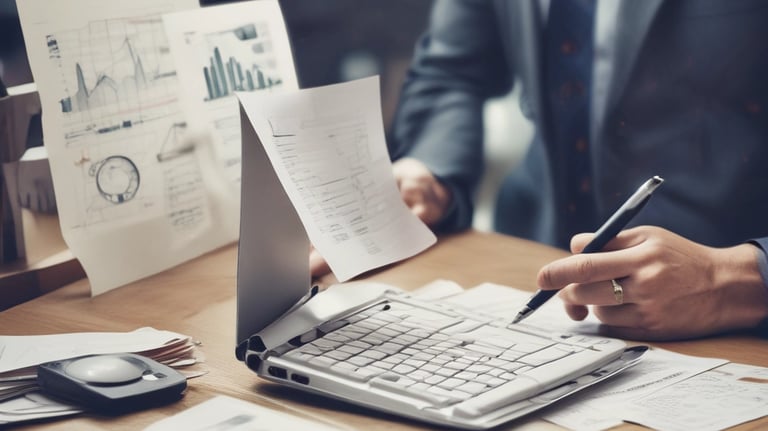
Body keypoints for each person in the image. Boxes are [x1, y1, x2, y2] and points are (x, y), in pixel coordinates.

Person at [312, 0, 768, 341]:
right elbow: (453, 68)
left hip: (734, 313)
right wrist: (428, 174)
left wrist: (735, 279)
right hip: (532, 262)